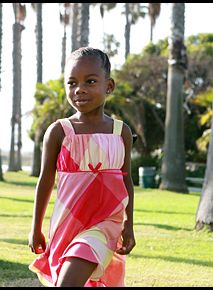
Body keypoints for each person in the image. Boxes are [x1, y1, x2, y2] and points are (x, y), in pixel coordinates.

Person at [28, 47, 136, 287]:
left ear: (109, 85)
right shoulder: (59, 131)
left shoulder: (121, 132)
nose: (80, 89)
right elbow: (45, 180)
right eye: (72, 83)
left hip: (107, 223)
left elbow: (126, 179)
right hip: (67, 222)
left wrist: (128, 224)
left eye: (90, 81)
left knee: (69, 282)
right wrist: (36, 228)